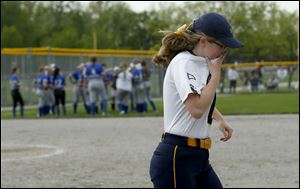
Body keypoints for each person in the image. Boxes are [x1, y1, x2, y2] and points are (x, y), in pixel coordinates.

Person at [149, 12, 243, 188]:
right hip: (177, 158)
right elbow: (196, 109)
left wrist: (219, 118)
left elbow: (196, 99)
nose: (224, 51)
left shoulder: (200, 62)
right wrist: (215, 77)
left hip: (198, 156)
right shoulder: (184, 63)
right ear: (203, 41)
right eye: (221, 45)